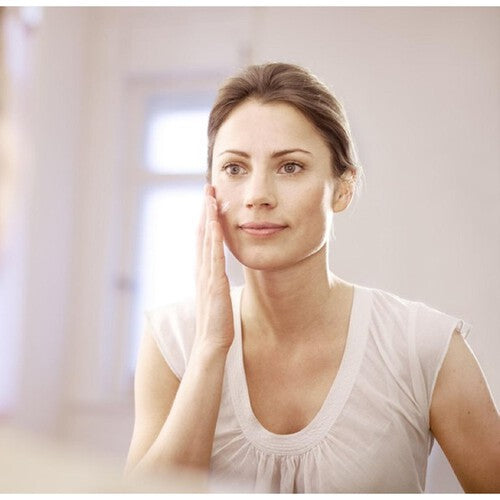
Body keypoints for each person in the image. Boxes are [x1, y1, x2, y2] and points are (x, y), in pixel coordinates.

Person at [125, 62, 500, 493]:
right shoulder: (172, 339)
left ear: (343, 188)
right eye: (235, 168)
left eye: (290, 167)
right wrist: (210, 346)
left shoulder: (424, 346)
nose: (258, 196)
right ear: (211, 188)